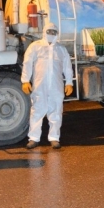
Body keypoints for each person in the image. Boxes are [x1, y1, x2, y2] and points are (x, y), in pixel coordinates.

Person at [21, 22, 73, 150]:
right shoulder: (35, 46)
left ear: (57, 34)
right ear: (44, 32)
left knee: (56, 111)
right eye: (49, 31)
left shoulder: (61, 49)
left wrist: (69, 83)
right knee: (37, 111)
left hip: (56, 85)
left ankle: (54, 138)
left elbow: (67, 67)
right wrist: (25, 80)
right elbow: (27, 63)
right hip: (40, 85)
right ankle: (33, 138)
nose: (51, 34)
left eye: (54, 32)